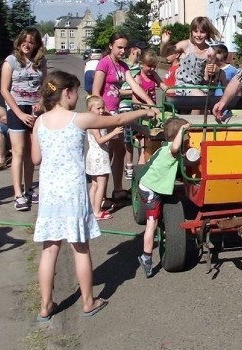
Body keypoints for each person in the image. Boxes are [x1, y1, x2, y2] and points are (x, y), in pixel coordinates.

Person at [31, 71, 155, 321]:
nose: (77, 97)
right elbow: (118, 119)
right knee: (80, 248)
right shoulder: (78, 119)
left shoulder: (40, 122)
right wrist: (143, 111)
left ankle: (45, 306)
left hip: (49, 193)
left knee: (49, 249)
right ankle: (88, 301)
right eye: (76, 91)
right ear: (67, 93)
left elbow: (36, 159)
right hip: (73, 191)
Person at [92, 32, 156, 200]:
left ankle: (118, 189)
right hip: (104, 113)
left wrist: (150, 103)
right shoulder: (104, 63)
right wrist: (102, 113)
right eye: (119, 47)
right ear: (110, 46)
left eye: (124, 48)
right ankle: (102, 196)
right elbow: (95, 93)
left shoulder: (122, 66)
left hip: (115, 112)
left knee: (118, 151)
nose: (122, 51)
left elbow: (135, 86)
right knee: (105, 154)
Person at [136, 117, 189, 278]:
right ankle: (146, 257)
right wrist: (182, 130)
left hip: (151, 184)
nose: (189, 138)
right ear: (179, 135)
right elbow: (176, 146)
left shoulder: (165, 147)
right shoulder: (170, 150)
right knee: (152, 223)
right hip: (150, 189)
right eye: (187, 135)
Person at [1, 27, 47, 212]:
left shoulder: (40, 61)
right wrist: (19, 113)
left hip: (34, 108)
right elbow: (4, 89)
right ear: (19, 42)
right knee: (18, 151)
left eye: (31, 42)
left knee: (31, 152)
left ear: (36, 45)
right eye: (25, 41)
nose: (27, 45)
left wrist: (42, 101)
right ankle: (18, 194)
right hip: (17, 108)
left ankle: (28, 189)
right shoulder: (10, 61)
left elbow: (47, 84)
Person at [160, 17, 221, 99]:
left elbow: (207, 78)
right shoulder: (185, 45)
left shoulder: (210, 52)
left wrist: (214, 71)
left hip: (200, 86)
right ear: (191, 32)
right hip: (183, 85)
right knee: (200, 97)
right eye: (195, 31)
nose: (198, 35)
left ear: (207, 33)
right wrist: (164, 43)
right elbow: (164, 54)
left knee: (207, 98)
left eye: (202, 32)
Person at [84, 96, 121, 221]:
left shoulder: (93, 120)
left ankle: (91, 208)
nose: (101, 110)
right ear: (89, 109)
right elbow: (100, 140)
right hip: (99, 156)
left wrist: (107, 113)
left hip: (94, 155)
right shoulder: (94, 124)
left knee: (94, 184)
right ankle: (97, 211)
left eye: (102, 107)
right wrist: (114, 133)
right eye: (98, 108)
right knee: (101, 184)